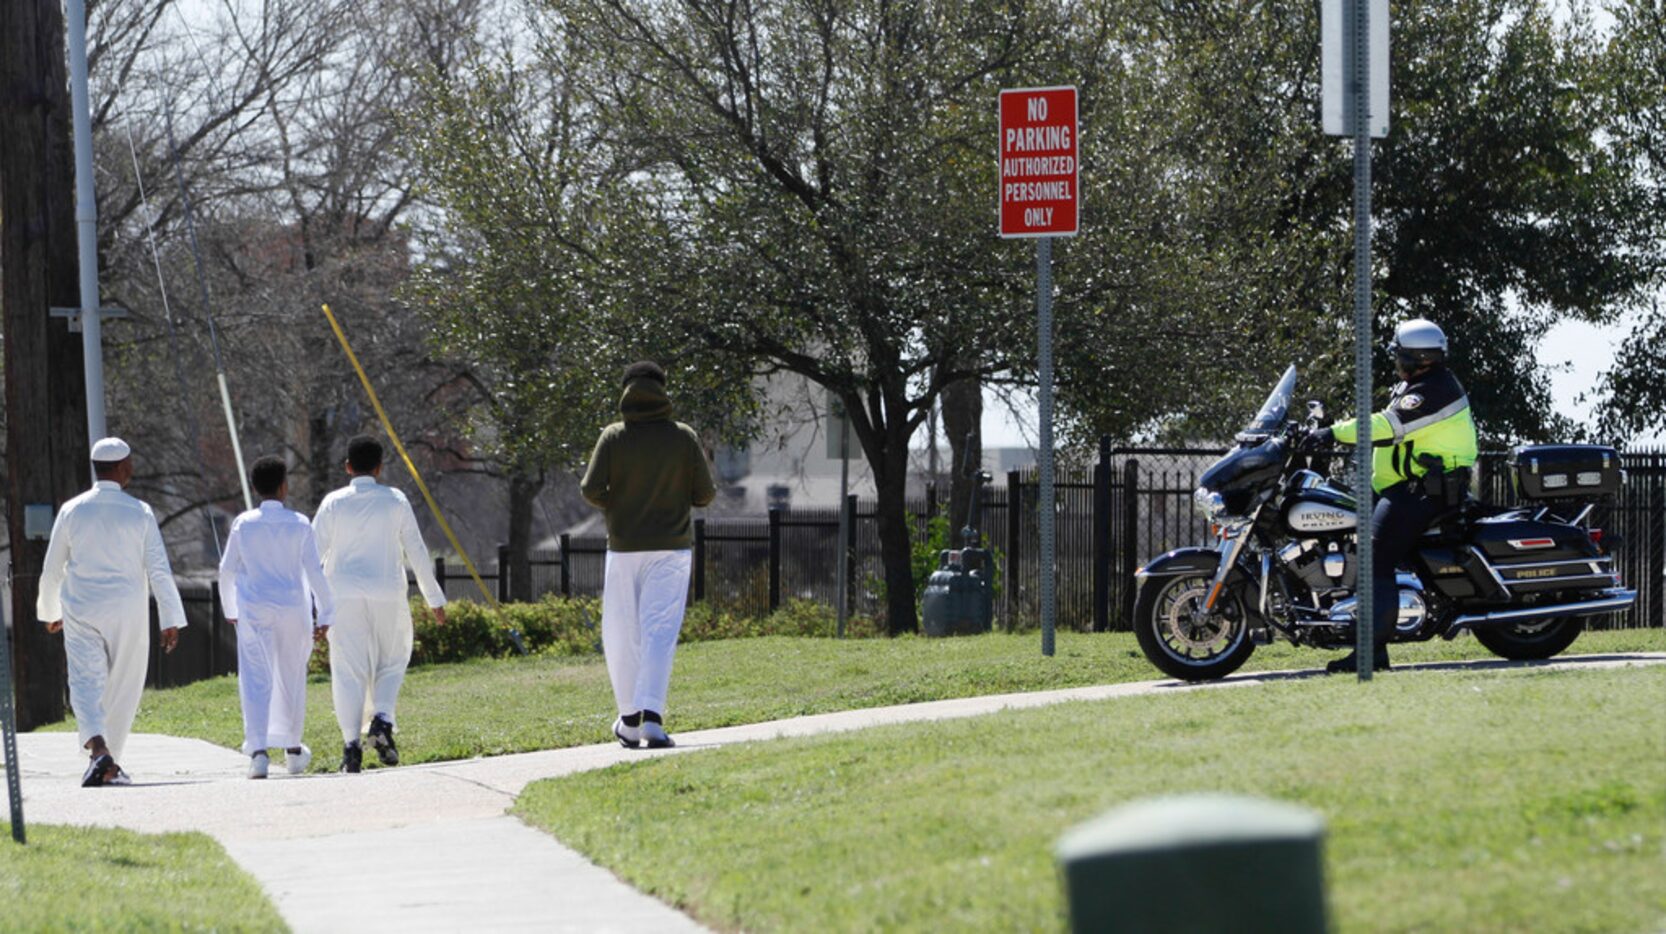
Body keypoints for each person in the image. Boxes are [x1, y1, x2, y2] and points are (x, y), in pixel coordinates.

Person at [1306, 318, 1479, 673]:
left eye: (1399, 354)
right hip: (1405, 488)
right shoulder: (1422, 385)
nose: (1395, 360)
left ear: (1416, 357)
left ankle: (1371, 654)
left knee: (1374, 558)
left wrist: (1332, 433)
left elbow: (1387, 426)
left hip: (1423, 492)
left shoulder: (1433, 390)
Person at [581, 361, 716, 749]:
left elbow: (590, 489)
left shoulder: (613, 437)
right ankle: (653, 720)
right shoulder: (684, 437)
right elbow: (705, 495)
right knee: (659, 632)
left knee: (622, 632)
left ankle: (628, 721)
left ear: (626, 391)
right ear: (663, 390)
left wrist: (615, 505)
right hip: (672, 548)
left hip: (623, 547)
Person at [37, 437, 187, 787]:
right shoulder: (140, 511)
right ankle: (108, 757)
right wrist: (170, 619)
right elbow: (159, 569)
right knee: (124, 684)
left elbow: (52, 569)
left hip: (81, 608)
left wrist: (50, 610)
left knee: (85, 682)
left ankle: (100, 753)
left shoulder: (72, 510)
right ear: (123, 468)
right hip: (128, 611)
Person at [312, 435, 447, 773]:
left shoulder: (332, 503)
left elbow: (310, 554)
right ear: (379, 467)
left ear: (347, 467)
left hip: (341, 594)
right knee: (394, 657)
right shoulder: (395, 500)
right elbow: (416, 550)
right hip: (387, 591)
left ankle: (350, 748)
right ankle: (382, 720)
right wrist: (435, 599)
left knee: (347, 669)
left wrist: (311, 605)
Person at [219, 456, 336, 779]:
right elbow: (315, 571)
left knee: (256, 678)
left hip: (254, 609)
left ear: (255, 487)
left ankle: (258, 752)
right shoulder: (300, 523)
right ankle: (293, 748)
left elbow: (226, 571)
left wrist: (231, 610)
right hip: (293, 610)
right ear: (284, 487)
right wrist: (326, 611)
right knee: (291, 677)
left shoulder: (243, 523)